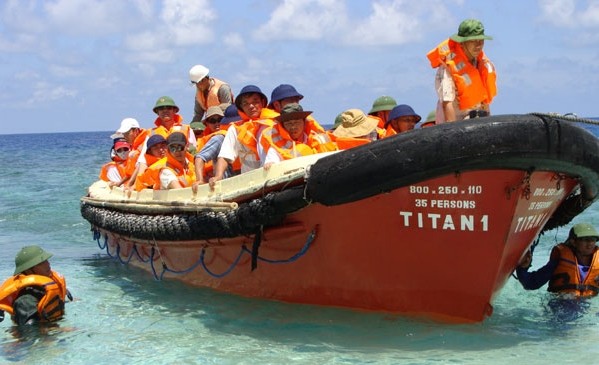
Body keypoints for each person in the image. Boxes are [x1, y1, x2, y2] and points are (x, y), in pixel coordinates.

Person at [427, 18, 497, 123]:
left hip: (479, 121)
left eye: (481, 41)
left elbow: (484, 100)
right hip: (458, 124)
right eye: (473, 41)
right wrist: (453, 132)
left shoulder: (483, 65)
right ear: (462, 43)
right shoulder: (448, 67)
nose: (478, 45)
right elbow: (447, 102)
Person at [209, 85, 277, 189]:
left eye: (255, 101)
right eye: (246, 103)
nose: (251, 106)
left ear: (262, 103)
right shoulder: (236, 129)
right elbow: (224, 155)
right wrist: (218, 176)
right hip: (249, 182)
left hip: (273, 175)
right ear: (241, 108)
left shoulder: (274, 124)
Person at [516, 223, 599, 297]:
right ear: (573, 241)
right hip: (561, 302)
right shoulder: (560, 260)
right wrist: (522, 269)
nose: (590, 244)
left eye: (593, 239)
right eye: (586, 240)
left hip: (589, 302)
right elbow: (531, 283)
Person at [131, 96, 196, 189]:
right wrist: (134, 185)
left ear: (174, 111)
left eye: (168, 108)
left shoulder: (186, 129)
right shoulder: (151, 133)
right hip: (161, 172)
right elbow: (143, 160)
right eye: (161, 109)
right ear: (157, 112)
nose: (165, 111)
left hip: (183, 170)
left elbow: (193, 154)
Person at [0, 245, 71, 326]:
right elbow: (29, 332)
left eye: (46, 260)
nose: (48, 264)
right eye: (41, 263)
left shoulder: (46, 286)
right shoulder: (26, 300)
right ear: (28, 270)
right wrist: (59, 330)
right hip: (42, 336)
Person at [259, 103, 327, 169]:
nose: (293, 127)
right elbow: (271, 162)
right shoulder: (276, 145)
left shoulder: (319, 139)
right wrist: (270, 164)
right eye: (288, 124)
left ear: (304, 123)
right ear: (282, 126)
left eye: (297, 122)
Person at [194, 104, 241, 184]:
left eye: (219, 119)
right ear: (207, 124)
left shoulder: (243, 132)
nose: (217, 123)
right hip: (226, 183)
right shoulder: (219, 139)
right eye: (212, 121)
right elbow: (199, 157)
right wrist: (200, 180)